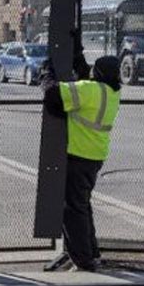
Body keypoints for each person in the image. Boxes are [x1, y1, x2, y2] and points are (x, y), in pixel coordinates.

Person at [39, 36, 121, 272]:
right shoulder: (111, 92)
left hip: (78, 156)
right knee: (81, 206)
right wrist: (78, 55)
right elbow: (87, 75)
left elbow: (52, 95)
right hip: (94, 156)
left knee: (72, 211)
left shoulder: (89, 90)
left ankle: (84, 260)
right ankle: (91, 252)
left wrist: (46, 72)